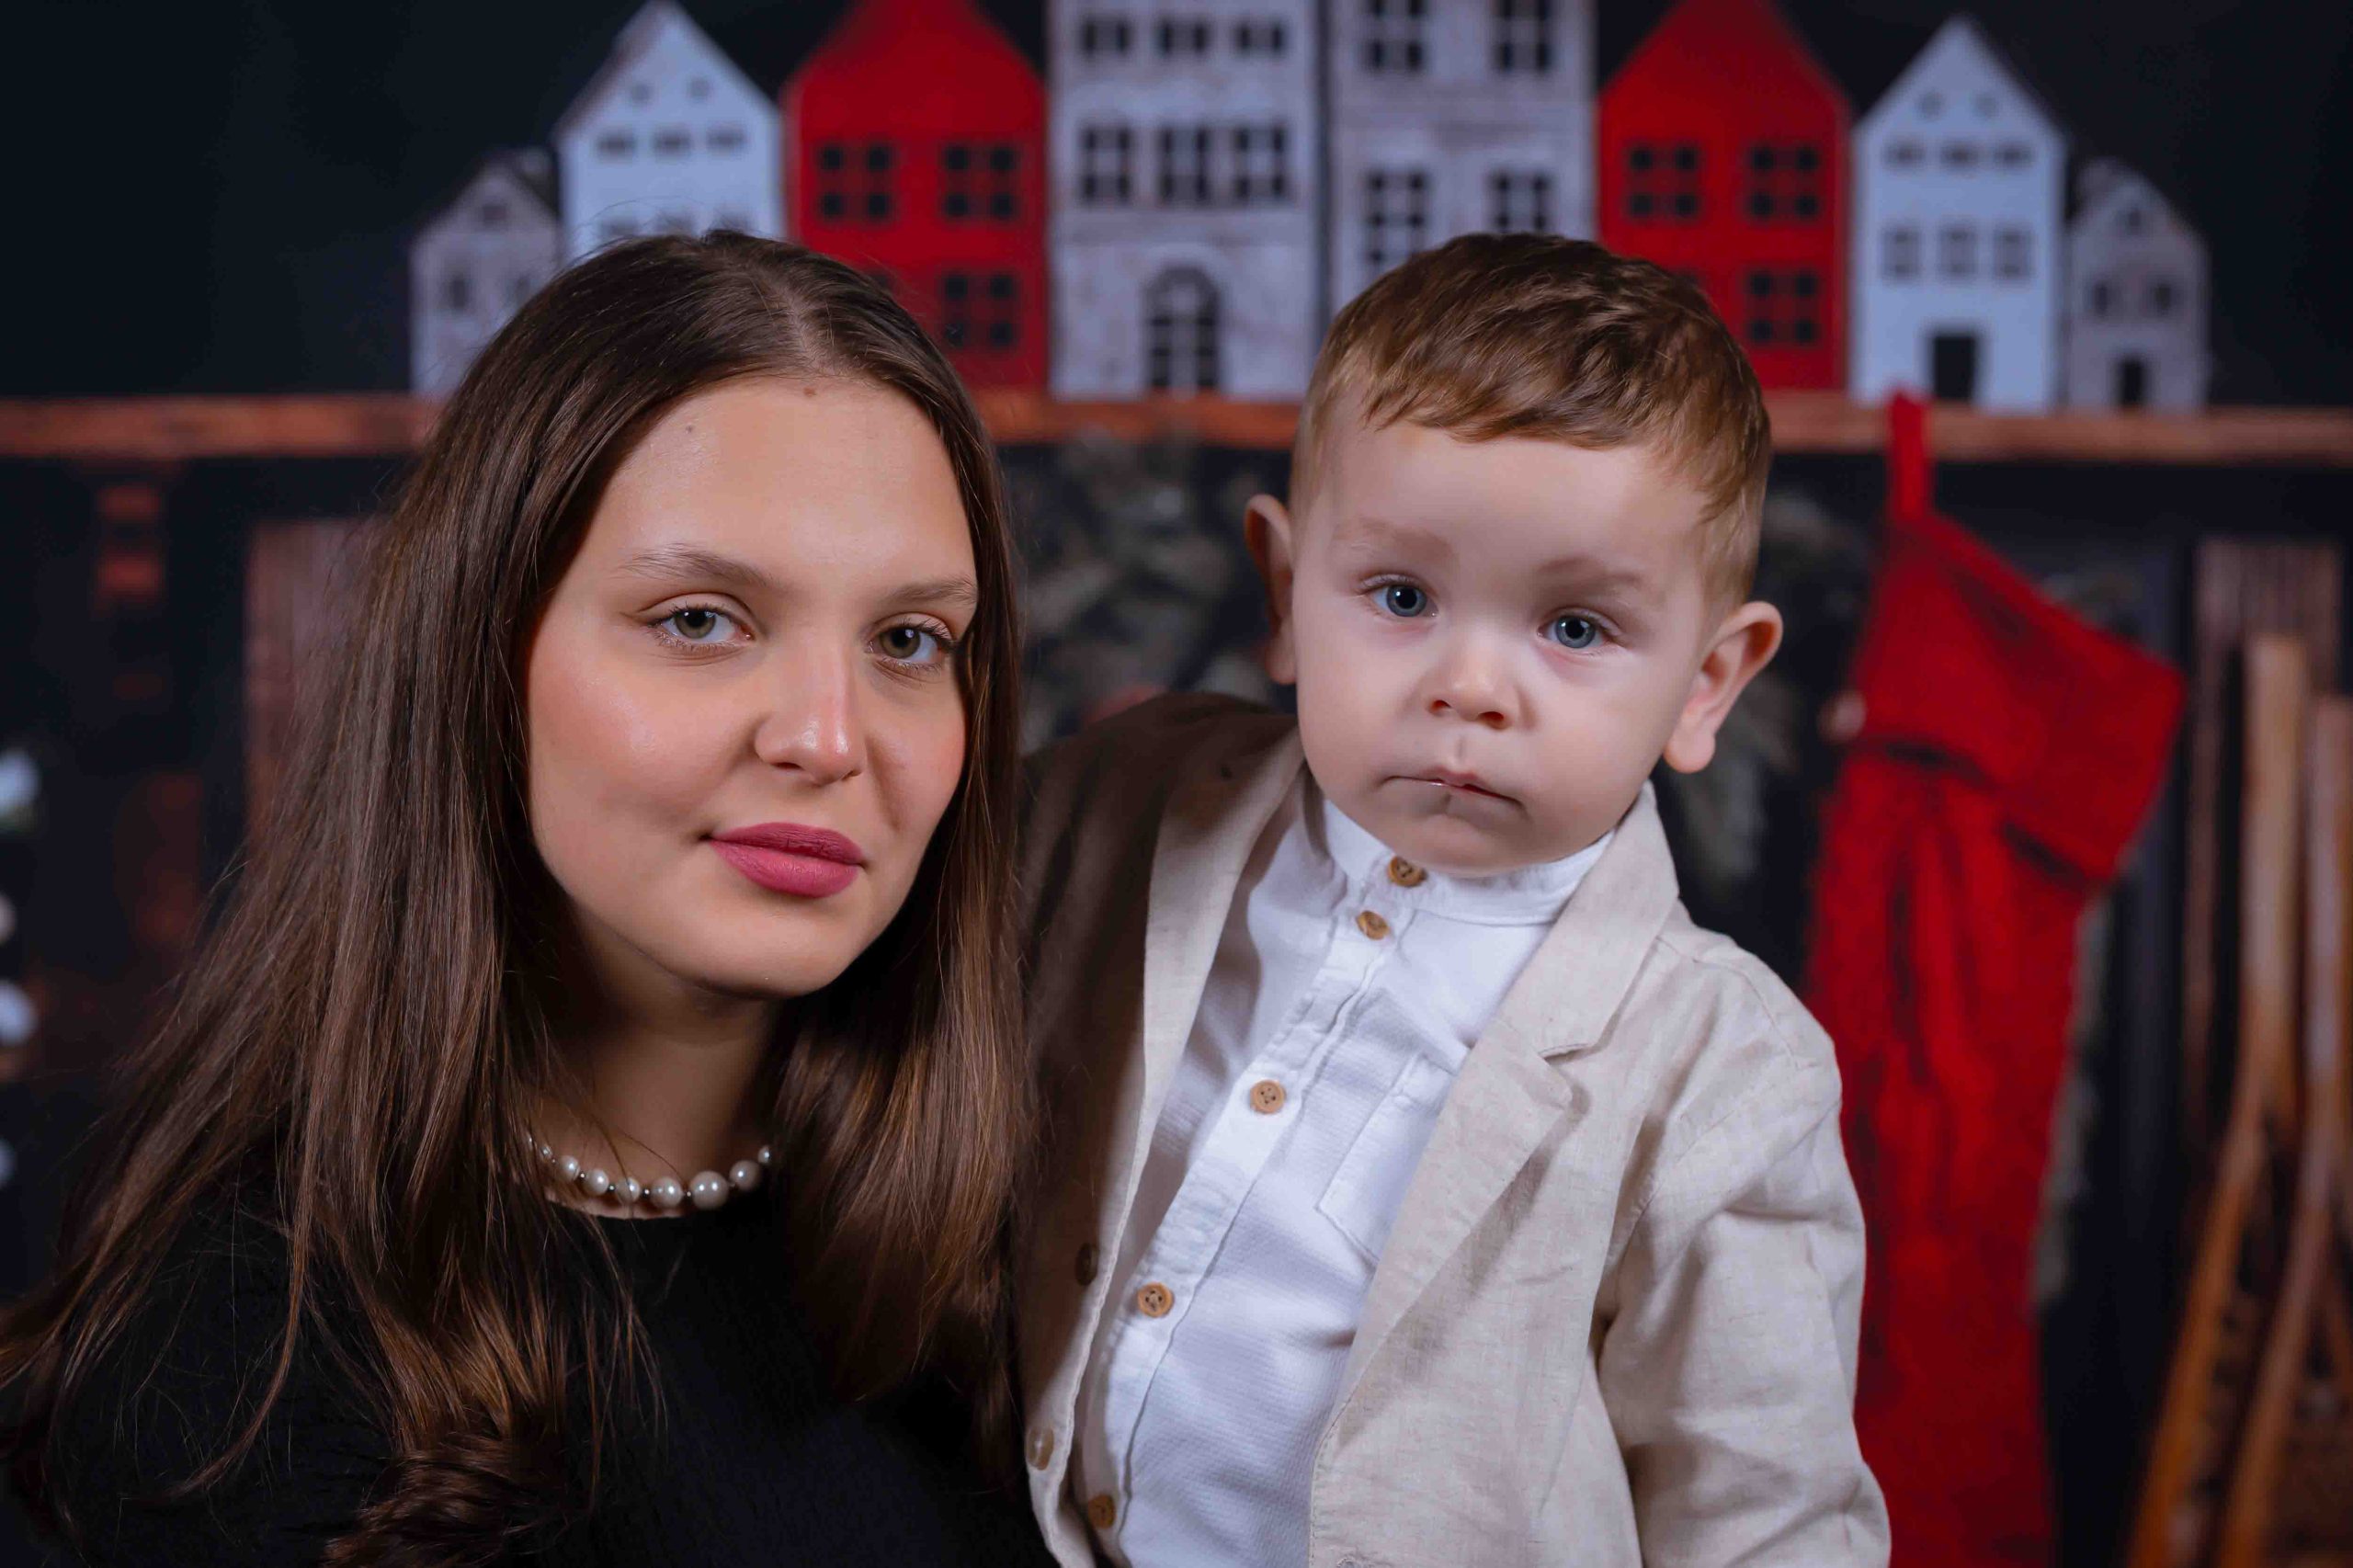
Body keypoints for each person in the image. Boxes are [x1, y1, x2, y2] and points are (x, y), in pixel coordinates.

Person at [0, 234, 1053, 1567]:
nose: (828, 739)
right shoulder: (235, 1365)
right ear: (481, 655)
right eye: (700, 619)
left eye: (909, 640)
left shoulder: (1057, 1251)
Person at [1015, 234, 1891, 1566]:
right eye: (1402, 596)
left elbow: (1763, 1507)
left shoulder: (1722, 1068)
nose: (1471, 687)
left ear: (1707, 683)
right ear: (1286, 594)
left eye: (1577, 627)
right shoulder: (1134, 807)